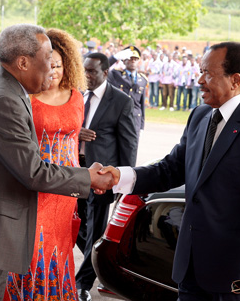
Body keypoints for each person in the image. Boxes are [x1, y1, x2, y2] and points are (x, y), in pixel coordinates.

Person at [103, 42, 240, 301]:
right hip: (190, 268)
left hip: (239, 275)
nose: (199, 79)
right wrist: (119, 176)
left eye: (207, 72)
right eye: (199, 71)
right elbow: (170, 169)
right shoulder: (200, 115)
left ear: (235, 80)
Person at [0, 24, 113, 301]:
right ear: (22, 62)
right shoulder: (3, 101)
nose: (53, 68)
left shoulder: (8, 91)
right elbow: (33, 171)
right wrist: (87, 178)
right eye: (47, 60)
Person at [3, 28, 88, 301]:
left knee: (59, 249)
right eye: (48, 64)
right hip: (36, 184)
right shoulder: (27, 98)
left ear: (68, 66)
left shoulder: (77, 97)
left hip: (66, 191)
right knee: (33, 249)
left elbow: (73, 141)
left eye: (58, 66)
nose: (53, 71)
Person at [75, 52, 138, 301]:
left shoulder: (121, 101)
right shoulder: (76, 96)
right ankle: (105, 265)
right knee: (79, 226)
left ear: (105, 73)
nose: (86, 75)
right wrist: (76, 133)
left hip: (102, 177)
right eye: (84, 70)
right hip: (76, 172)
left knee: (95, 231)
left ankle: (82, 283)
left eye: (91, 71)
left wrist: (122, 179)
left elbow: (129, 144)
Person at [109, 46, 147, 134]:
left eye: (135, 59)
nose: (133, 61)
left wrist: (141, 125)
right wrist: (114, 58)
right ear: (124, 61)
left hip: (135, 120)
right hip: (119, 118)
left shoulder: (143, 80)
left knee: (133, 147)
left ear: (139, 61)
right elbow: (101, 69)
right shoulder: (116, 75)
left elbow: (141, 104)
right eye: (130, 58)